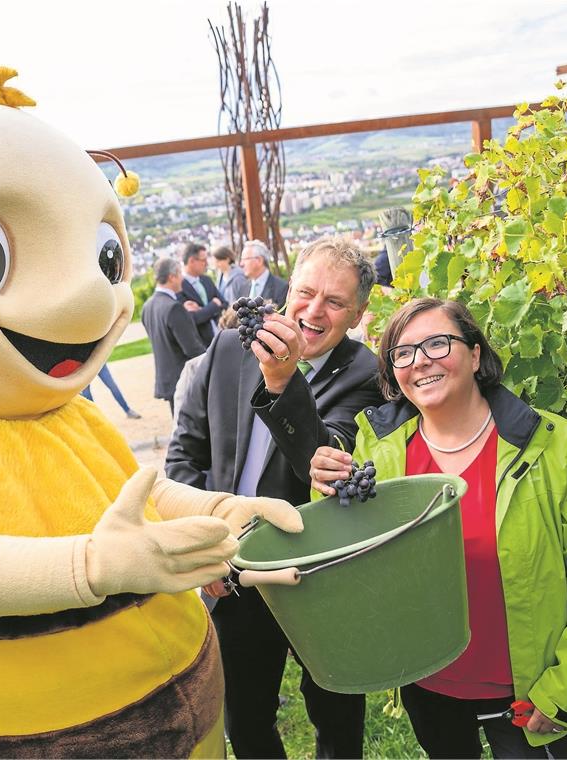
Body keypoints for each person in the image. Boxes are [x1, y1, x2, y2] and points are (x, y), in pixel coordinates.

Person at [309, 297, 567, 760]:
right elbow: (353, 559)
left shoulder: (552, 447)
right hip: (428, 682)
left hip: (527, 691)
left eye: (438, 343)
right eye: (403, 352)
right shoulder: (381, 452)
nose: (421, 362)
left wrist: (564, 690)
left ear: (476, 355)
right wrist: (327, 493)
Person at [167, 236, 384, 759]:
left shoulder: (366, 375)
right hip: (234, 566)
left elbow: (326, 462)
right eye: (305, 293)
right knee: (245, 718)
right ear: (288, 291)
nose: (313, 311)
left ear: (357, 315)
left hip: (318, 577)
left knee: (336, 714)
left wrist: (282, 379)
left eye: (334, 303)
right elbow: (184, 457)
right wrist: (205, 545)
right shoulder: (227, 347)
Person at [141, 257, 207, 415]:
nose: (182, 278)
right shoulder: (174, 308)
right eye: (180, 274)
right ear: (172, 277)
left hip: (168, 379)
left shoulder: (148, 306)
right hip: (184, 380)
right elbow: (193, 349)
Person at [177, 242, 226, 344]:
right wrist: (213, 306)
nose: (207, 264)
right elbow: (192, 319)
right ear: (191, 261)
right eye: (203, 260)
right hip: (201, 345)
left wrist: (201, 311)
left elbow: (225, 304)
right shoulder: (179, 286)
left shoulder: (206, 280)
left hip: (220, 338)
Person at [233, 239, 288, 305]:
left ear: (259, 260)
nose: (241, 264)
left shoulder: (281, 288)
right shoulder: (242, 287)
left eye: (245, 259)